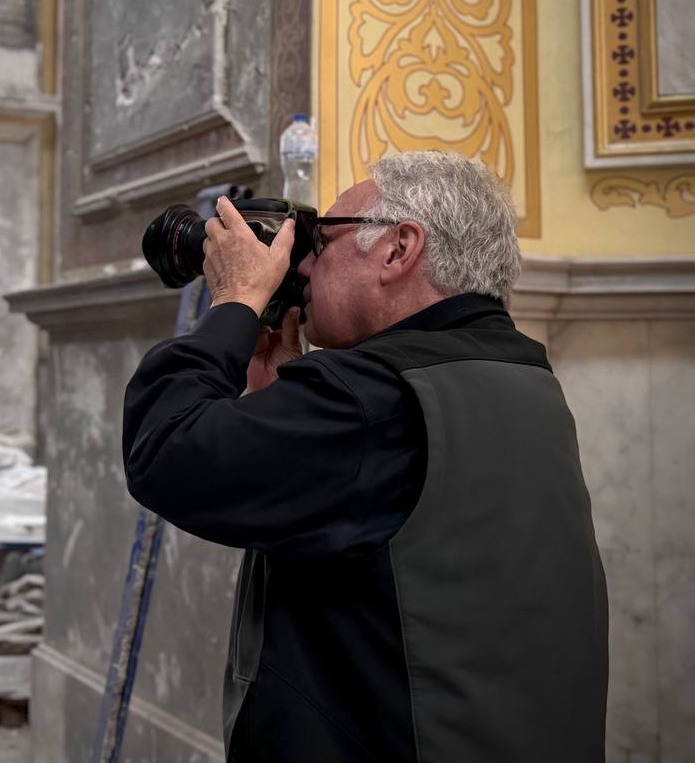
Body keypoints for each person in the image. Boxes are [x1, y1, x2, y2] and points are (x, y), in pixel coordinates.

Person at [122, 151, 607, 762]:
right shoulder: (515, 370)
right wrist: (279, 399)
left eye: (321, 242)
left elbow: (164, 451)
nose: (303, 268)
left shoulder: (375, 397)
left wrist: (236, 302)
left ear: (399, 250)